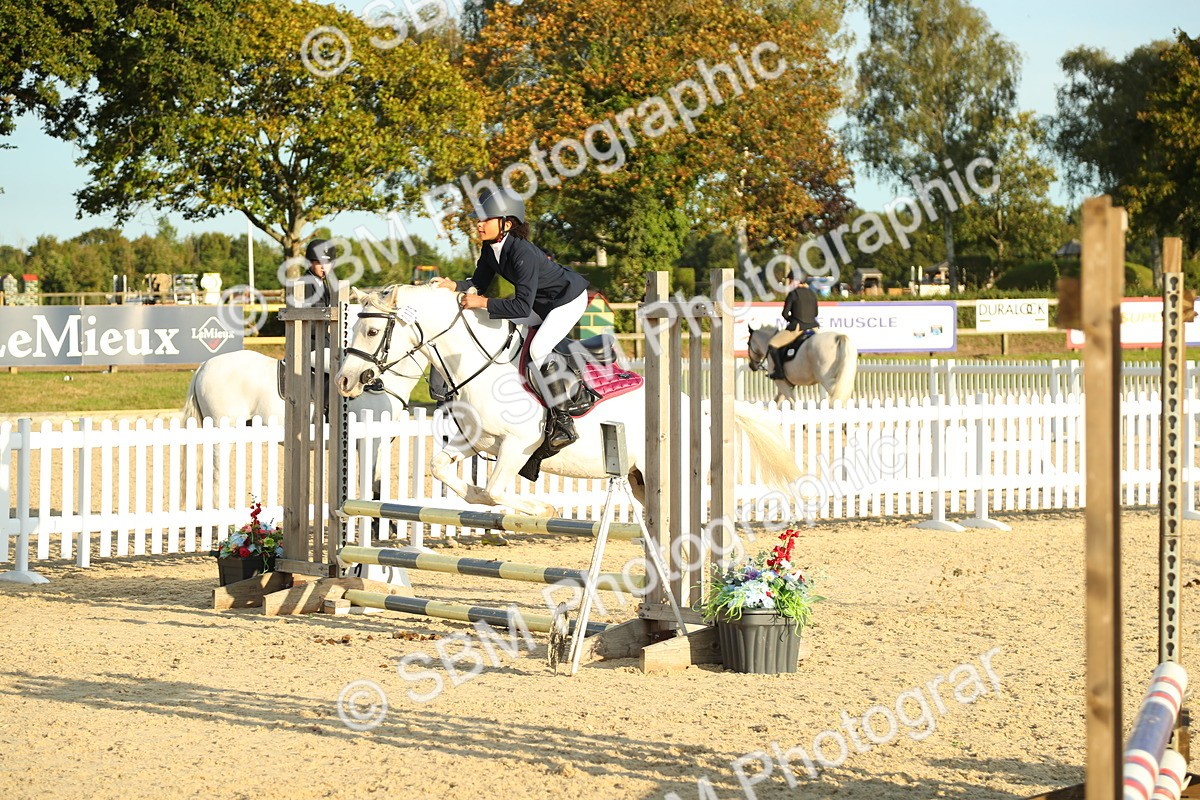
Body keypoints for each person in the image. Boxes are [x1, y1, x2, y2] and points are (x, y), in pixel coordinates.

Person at [432, 188, 590, 452]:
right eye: (478, 219)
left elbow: (519, 305)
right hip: (541, 302)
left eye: (485, 220)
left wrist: (481, 302)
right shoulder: (490, 247)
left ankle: (563, 422)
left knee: (538, 348)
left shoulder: (522, 252)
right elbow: (477, 283)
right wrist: (454, 285)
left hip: (566, 300)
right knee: (503, 330)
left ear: (506, 223)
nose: (479, 225)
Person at [767, 274, 820, 379]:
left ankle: (779, 371)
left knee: (772, 344)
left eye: (791, 280)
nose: (790, 283)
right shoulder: (813, 294)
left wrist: (792, 320)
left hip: (798, 328)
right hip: (814, 328)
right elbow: (815, 313)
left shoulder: (793, 294)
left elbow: (785, 314)